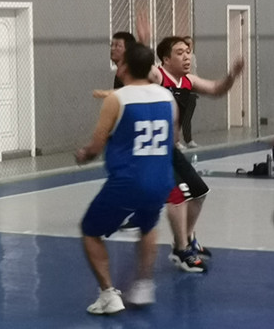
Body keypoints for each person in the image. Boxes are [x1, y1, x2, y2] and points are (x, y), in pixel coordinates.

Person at [77, 43, 176, 315]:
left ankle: (108, 294)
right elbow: (173, 139)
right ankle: (144, 284)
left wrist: (83, 154)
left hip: (128, 181)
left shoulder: (117, 99)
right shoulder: (167, 97)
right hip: (161, 179)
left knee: (90, 230)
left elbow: (96, 146)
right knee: (147, 225)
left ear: (124, 67)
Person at [150, 36, 244, 272]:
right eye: (180, 52)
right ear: (166, 59)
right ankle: (181, 250)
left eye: (187, 52)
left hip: (172, 150)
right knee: (178, 197)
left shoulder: (188, 80)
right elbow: (144, 67)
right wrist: (143, 40)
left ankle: (187, 237)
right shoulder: (159, 76)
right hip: (154, 152)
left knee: (199, 192)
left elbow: (217, 89)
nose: (186, 57)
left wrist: (232, 75)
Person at [180, 36, 198, 149]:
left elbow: (194, 73)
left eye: (190, 44)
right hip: (183, 90)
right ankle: (177, 141)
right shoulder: (180, 58)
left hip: (192, 90)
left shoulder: (193, 57)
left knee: (187, 116)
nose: (188, 47)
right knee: (180, 116)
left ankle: (188, 139)